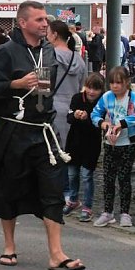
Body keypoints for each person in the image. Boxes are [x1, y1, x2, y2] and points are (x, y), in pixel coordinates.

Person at [0, 1, 85, 270]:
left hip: (44, 131)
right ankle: (9, 245)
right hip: (14, 130)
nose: (45, 24)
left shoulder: (49, 51)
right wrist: (15, 84)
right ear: (22, 23)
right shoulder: (5, 53)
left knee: (53, 189)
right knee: (8, 187)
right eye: (39, 20)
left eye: (45, 19)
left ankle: (56, 254)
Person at [90, 66, 135, 228]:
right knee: (108, 178)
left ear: (126, 82)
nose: (115, 86)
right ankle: (108, 212)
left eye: (119, 82)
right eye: (112, 83)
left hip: (128, 143)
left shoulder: (134, 98)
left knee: (124, 178)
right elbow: (95, 114)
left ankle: (125, 213)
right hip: (110, 143)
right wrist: (102, 123)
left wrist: (123, 123)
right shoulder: (107, 97)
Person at [64, 73, 105, 222]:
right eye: (89, 87)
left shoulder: (102, 102)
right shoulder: (77, 98)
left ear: (101, 90)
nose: (91, 92)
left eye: (96, 89)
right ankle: (73, 200)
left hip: (91, 144)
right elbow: (68, 118)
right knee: (72, 174)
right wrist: (75, 115)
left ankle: (87, 206)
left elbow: (98, 124)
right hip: (74, 142)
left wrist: (88, 118)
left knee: (87, 175)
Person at [47, 20, 87, 165]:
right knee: (68, 153)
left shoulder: (48, 57)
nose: (46, 37)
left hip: (51, 109)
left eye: (48, 34)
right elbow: (82, 85)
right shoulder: (79, 60)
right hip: (72, 112)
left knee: (52, 153)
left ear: (55, 35)